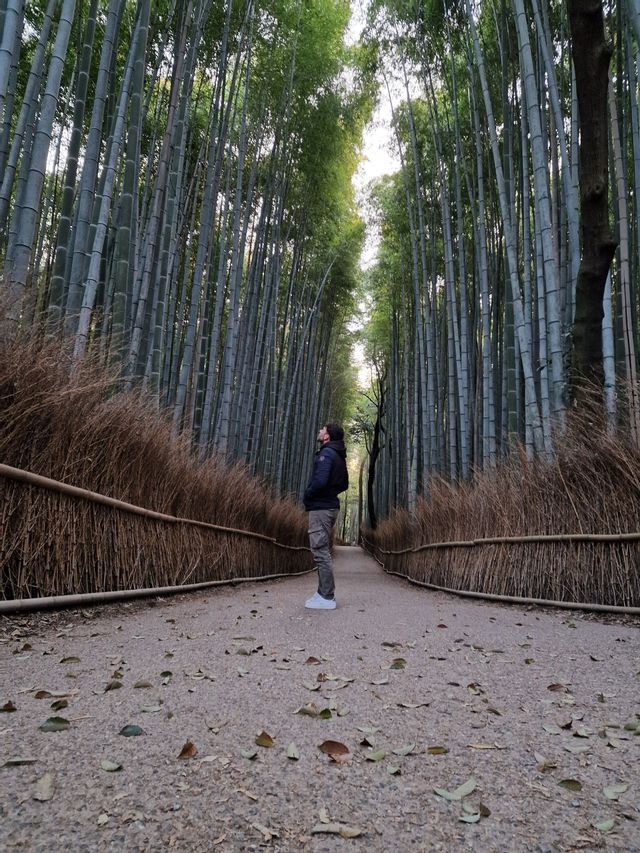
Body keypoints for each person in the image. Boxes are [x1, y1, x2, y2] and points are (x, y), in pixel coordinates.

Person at [303, 423, 349, 610]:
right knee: (321, 550)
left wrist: (308, 495)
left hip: (321, 508)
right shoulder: (338, 454)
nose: (319, 431)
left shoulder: (327, 454)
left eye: (322, 429)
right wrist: (331, 493)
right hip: (329, 506)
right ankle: (322, 592)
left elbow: (320, 481)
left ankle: (327, 596)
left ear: (327, 435)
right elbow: (344, 484)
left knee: (320, 551)